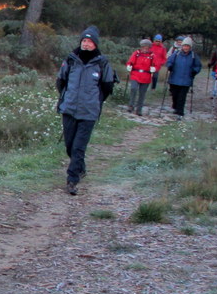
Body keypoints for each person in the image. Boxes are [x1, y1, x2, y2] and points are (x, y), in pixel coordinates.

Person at [55, 26, 117, 196]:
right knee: (69, 146)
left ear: (95, 44)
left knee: (78, 148)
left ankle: (72, 180)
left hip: (89, 112)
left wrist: (94, 102)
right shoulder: (71, 59)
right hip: (69, 108)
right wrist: (67, 98)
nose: (86, 44)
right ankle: (80, 167)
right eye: (84, 40)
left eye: (90, 41)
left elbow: (107, 86)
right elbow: (61, 81)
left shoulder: (102, 63)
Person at [165, 37, 202, 118]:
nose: (185, 47)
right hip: (174, 78)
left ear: (190, 47)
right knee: (174, 94)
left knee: (182, 96)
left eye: (187, 46)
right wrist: (169, 66)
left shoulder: (193, 56)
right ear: (182, 46)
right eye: (184, 46)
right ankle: (175, 106)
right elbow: (169, 61)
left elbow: (198, 66)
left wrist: (194, 71)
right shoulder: (176, 53)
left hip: (186, 79)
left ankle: (180, 111)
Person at [125, 38, 156, 116]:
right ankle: (131, 105)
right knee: (133, 88)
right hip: (135, 74)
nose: (145, 49)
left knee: (142, 93)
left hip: (146, 76)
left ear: (149, 48)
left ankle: (139, 109)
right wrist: (129, 65)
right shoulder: (136, 53)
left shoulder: (152, 56)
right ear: (141, 47)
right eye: (143, 47)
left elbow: (155, 64)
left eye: (147, 47)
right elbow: (130, 61)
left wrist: (154, 68)